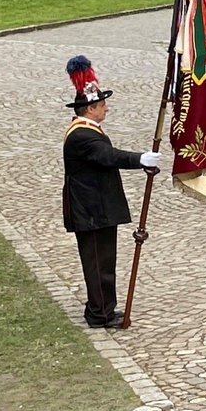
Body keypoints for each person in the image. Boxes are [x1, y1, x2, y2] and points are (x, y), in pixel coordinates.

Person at [61, 56, 163, 329]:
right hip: (92, 212)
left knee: (103, 263)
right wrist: (140, 158)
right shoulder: (82, 136)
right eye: (102, 105)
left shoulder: (88, 130)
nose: (106, 109)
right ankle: (100, 313)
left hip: (97, 209)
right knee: (98, 264)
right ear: (91, 108)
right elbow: (108, 156)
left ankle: (103, 307)